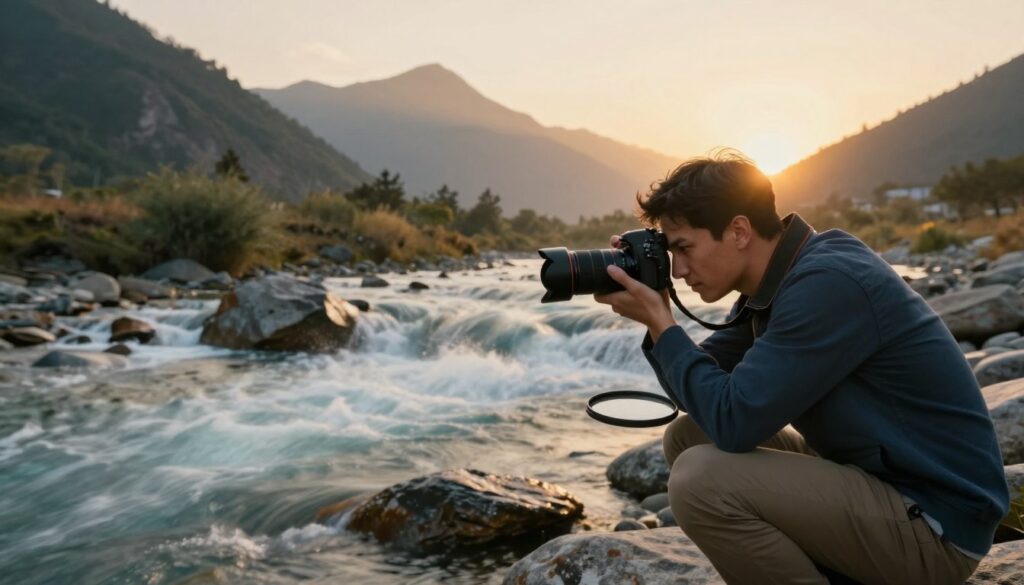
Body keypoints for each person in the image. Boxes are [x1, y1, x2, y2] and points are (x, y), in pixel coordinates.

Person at [594, 151, 1008, 584]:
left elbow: (734, 421)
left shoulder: (828, 283)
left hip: (936, 528)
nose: (679, 271)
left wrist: (663, 323)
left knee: (700, 480)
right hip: (884, 481)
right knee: (689, 434)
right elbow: (700, 391)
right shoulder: (783, 276)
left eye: (684, 248)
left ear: (738, 231)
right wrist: (652, 310)